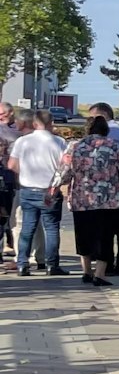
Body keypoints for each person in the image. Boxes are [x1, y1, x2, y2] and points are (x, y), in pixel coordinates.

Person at [56, 115, 119, 287]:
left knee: (83, 234)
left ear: (88, 129)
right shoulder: (115, 146)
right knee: (105, 236)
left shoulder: (74, 147)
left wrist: (54, 187)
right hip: (109, 199)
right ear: (105, 129)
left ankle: (86, 271)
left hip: (81, 199)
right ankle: (100, 274)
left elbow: (65, 172)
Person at [8, 111, 68, 275]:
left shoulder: (23, 141)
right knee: (51, 228)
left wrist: (25, 172)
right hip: (49, 190)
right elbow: (65, 167)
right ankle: (52, 264)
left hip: (28, 189)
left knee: (27, 228)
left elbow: (12, 165)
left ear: (34, 124)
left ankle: (22, 264)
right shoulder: (59, 142)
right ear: (51, 123)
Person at [88, 102, 119, 275]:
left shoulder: (107, 136)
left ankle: (106, 264)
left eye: (93, 118)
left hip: (104, 188)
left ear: (102, 116)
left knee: (105, 228)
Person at [0, 102, 19, 263]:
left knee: (9, 212)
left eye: (2, 114)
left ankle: (10, 242)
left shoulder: (17, 129)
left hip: (10, 176)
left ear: (10, 113)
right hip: (5, 175)